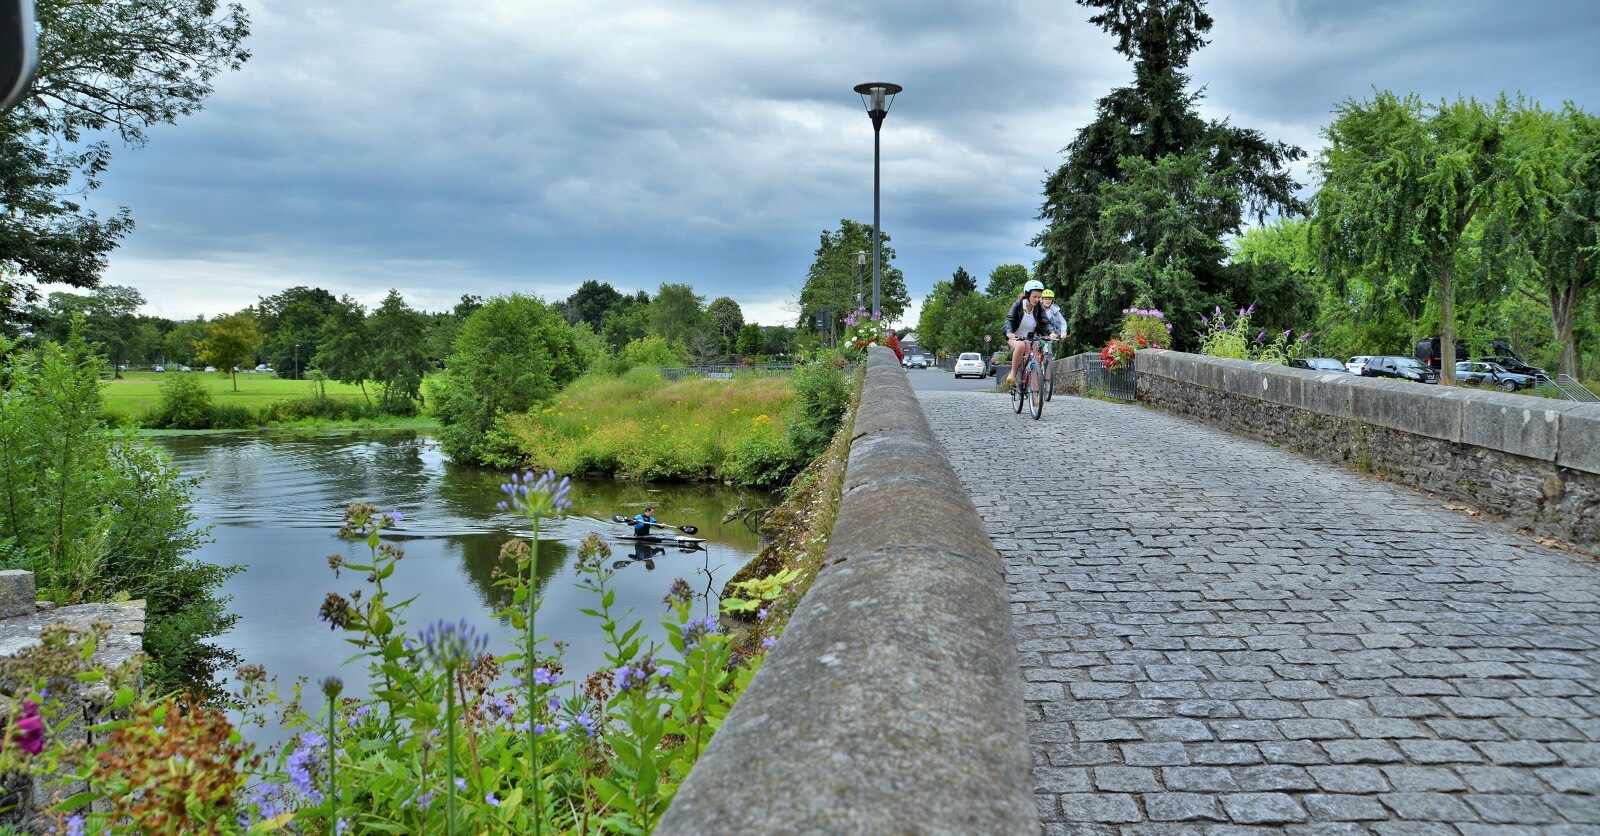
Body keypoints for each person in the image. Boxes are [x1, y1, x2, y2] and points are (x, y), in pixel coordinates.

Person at [1003, 280, 1062, 388]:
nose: (1037, 299)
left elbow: (1045, 321)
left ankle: (1034, 393)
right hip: (1015, 335)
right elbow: (1010, 319)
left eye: (1039, 297)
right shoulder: (1018, 304)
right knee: (1020, 345)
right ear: (1027, 294)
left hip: (1030, 336)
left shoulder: (1039, 307)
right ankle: (1013, 372)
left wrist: (1051, 332)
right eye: (1034, 296)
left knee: (1034, 358)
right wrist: (1009, 331)